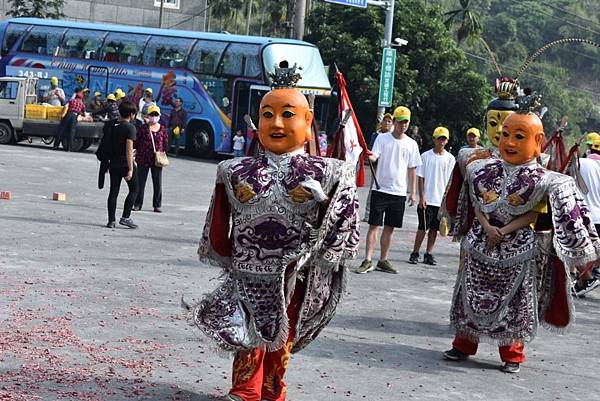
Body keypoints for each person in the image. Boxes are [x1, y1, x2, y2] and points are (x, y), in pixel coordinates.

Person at [186, 62, 359, 401]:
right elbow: (219, 225)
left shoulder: (331, 172)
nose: (276, 123)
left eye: (287, 114)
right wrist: (228, 257)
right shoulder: (233, 170)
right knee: (249, 329)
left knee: (283, 333)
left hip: (295, 273)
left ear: (308, 123)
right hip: (248, 270)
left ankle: (271, 388)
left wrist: (320, 199)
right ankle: (245, 389)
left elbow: (345, 222)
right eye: (267, 114)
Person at [443, 102, 600, 374]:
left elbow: (533, 216)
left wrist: (502, 231)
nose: (509, 142)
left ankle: (512, 353)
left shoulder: (544, 179)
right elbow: (477, 203)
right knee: (469, 296)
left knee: (516, 304)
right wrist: (487, 227)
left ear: (538, 141)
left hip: (518, 250)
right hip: (480, 243)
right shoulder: (481, 168)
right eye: (505, 134)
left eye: (519, 136)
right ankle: (463, 344)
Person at [356, 106, 422, 274]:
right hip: (380, 189)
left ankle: (383, 260)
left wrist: (413, 193)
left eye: (406, 122)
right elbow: (374, 156)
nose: (403, 125)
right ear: (393, 122)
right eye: (400, 122)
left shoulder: (411, 144)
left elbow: (412, 169)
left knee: (390, 228)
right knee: (373, 226)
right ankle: (368, 259)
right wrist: (366, 154)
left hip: (399, 192)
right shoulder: (382, 139)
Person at [408, 127, 455, 265]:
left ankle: (428, 253)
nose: (441, 141)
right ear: (434, 139)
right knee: (423, 227)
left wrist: (447, 201)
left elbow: (450, 181)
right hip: (427, 199)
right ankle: (415, 252)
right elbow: (421, 178)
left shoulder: (450, 159)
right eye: (439, 138)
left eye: (443, 138)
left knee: (434, 229)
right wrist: (421, 197)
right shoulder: (426, 156)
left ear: (446, 141)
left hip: (440, 201)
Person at [105, 100, 139, 229]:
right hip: (125, 163)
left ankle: (111, 220)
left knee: (113, 192)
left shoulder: (113, 125)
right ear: (131, 114)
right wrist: (131, 169)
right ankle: (125, 217)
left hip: (113, 163)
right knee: (135, 189)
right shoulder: (130, 128)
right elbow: (129, 150)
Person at [133, 105, 168, 213]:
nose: (154, 116)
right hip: (143, 158)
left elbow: (166, 143)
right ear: (148, 115)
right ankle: (138, 204)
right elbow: (137, 141)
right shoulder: (143, 128)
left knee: (157, 182)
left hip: (157, 159)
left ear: (159, 116)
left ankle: (157, 205)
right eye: (152, 114)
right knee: (140, 182)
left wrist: (162, 153)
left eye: (156, 114)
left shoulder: (162, 129)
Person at [363, 112, 394, 222]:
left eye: (389, 121)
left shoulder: (393, 137)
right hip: (376, 166)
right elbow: (372, 150)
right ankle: (368, 214)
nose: (386, 123)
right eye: (385, 121)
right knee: (373, 189)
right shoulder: (376, 135)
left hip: (388, 167)